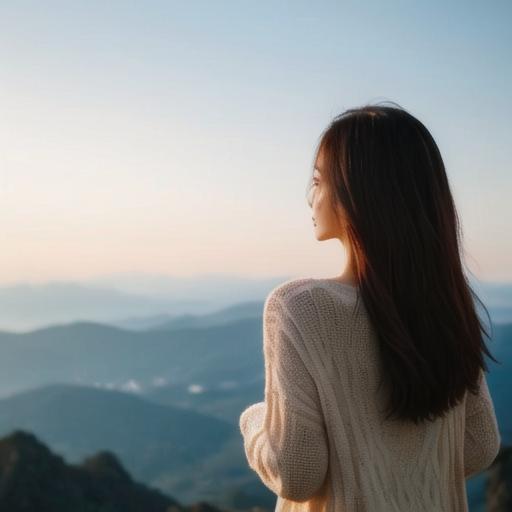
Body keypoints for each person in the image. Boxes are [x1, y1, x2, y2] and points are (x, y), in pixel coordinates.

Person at [238, 102, 502, 511]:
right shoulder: (446, 303)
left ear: (356, 193)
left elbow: (296, 473)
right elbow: (479, 446)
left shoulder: (299, 307)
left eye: (317, 180)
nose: (311, 196)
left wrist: (254, 420)